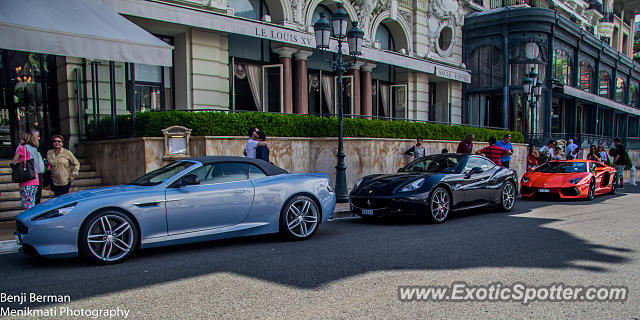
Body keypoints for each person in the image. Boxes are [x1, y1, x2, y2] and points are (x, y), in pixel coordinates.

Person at [11, 132, 40, 209]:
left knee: (26, 202)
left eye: (20, 138)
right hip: (34, 178)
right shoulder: (34, 149)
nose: (19, 140)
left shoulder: (21, 148)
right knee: (32, 201)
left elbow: (14, 161)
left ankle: (28, 219)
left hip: (25, 178)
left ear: (24, 139)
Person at [29, 129, 45, 204]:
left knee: (38, 196)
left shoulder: (36, 148)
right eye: (37, 136)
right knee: (34, 197)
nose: (39, 138)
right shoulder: (27, 148)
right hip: (33, 174)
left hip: (39, 173)